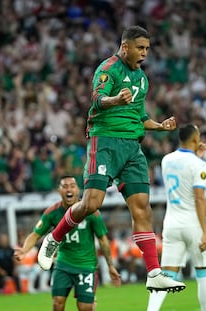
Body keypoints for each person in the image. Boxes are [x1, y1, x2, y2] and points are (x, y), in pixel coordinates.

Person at [37, 25, 185, 293]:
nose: (144, 54)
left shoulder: (142, 79)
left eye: (147, 49)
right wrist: (116, 99)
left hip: (132, 148)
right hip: (104, 142)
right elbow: (97, 100)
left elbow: (140, 117)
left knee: (142, 208)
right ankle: (54, 237)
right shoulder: (108, 68)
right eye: (140, 48)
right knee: (91, 204)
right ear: (125, 46)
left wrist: (160, 126)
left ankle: (154, 273)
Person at [14, 175, 121, 311]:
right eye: (65, 186)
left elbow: (103, 239)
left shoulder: (91, 212)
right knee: (57, 303)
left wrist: (110, 265)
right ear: (59, 191)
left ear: (77, 190)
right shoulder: (52, 213)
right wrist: (24, 250)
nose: (68, 189)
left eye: (72, 186)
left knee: (85, 307)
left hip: (86, 266)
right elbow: (36, 234)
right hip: (63, 265)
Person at [147, 124, 206, 311]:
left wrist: (195, 156)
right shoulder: (199, 164)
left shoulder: (166, 160)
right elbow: (199, 198)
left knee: (165, 278)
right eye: (199, 135)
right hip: (193, 223)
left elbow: (182, 170)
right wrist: (204, 232)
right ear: (195, 139)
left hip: (172, 224)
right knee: (204, 274)